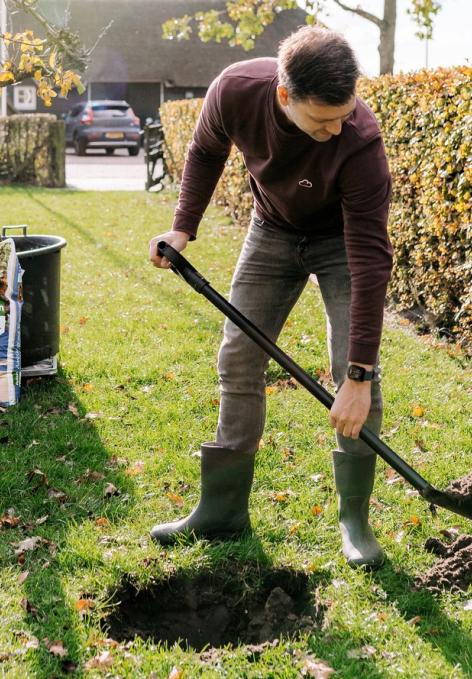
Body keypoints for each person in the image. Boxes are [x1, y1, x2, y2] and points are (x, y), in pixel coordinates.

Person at [147, 26, 393, 569]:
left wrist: (357, 377)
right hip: (272, 233)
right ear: (285, 96)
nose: (336, 128)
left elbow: (371, 259)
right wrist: (183, 228)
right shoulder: (235, 90)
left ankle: (355, 519)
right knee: (238, 358)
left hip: (340, 244)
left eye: (343, 115)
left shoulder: (359, 139)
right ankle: (222, 510)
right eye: (322, 120)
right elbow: (205, 150)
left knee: (354, 374)